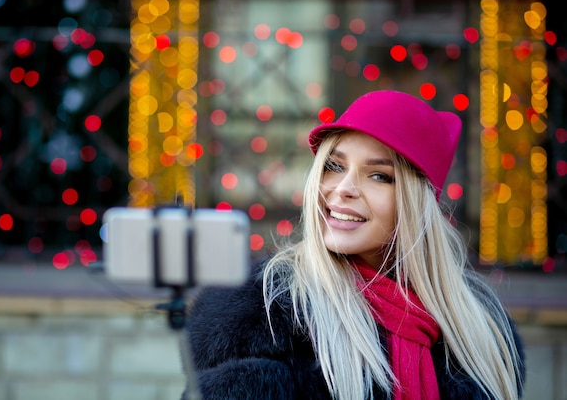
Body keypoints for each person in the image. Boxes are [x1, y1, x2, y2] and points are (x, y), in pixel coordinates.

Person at [180, 90, 526, 399]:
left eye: (379, 175)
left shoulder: (481, 331)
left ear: (418, 203)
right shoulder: (262, 312)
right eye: (334, 166)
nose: (342, 188)